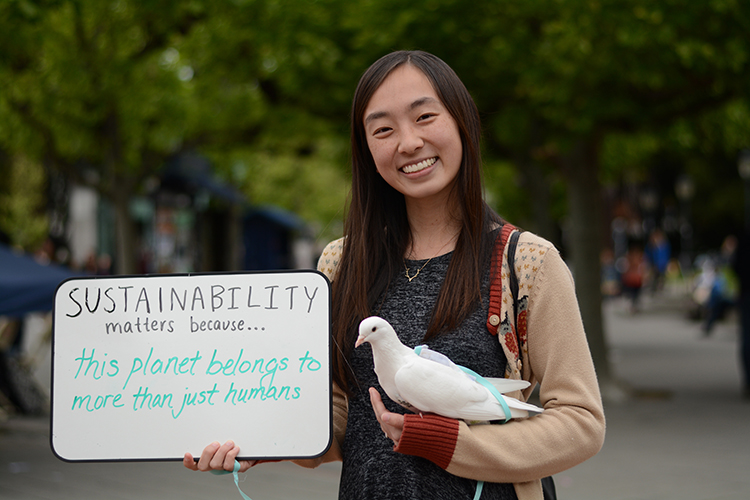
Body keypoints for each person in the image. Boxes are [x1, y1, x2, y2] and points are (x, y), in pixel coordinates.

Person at [184, 50, 605, 500]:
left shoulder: (528, 263)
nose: (408, 143)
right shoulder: (340, 265)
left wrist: (448, 443)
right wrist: (268, 441)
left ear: (462, 121)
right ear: (366, 149)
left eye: (425, 117)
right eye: (383, 129)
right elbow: (345, 411)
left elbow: (580, 423)